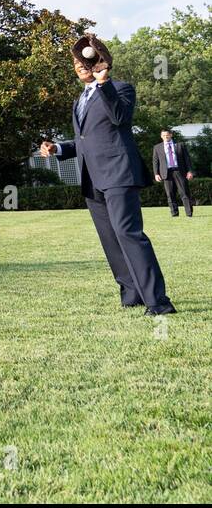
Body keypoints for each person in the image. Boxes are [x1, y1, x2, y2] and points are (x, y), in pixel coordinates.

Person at [40, 36, 176, 315]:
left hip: (119, 174)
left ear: (100, 62)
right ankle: (132, 295)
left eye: (85, 61)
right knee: (110, 239)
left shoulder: (121, 89)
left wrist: (103, 82)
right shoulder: (80, 100)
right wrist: (58, 148)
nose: (80, 66)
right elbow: (87, 140)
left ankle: (158, 302)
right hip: (92, 179)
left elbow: (120, 119)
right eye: (76, 62)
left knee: (128, 233)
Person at [152, 129, 194, 218]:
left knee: (184, 193)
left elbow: (187, 159)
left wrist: (189, 171)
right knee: (170, 194)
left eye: (167, 135)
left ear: (171, 135)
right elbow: (155, 161)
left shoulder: (180, 145)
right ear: (161, 136)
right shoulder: (157, 147)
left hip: (179, 171)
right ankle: (174, 214)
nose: (165, 137)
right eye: (163, 136)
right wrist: (156, 174)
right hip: (166, 173)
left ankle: (189, 214)